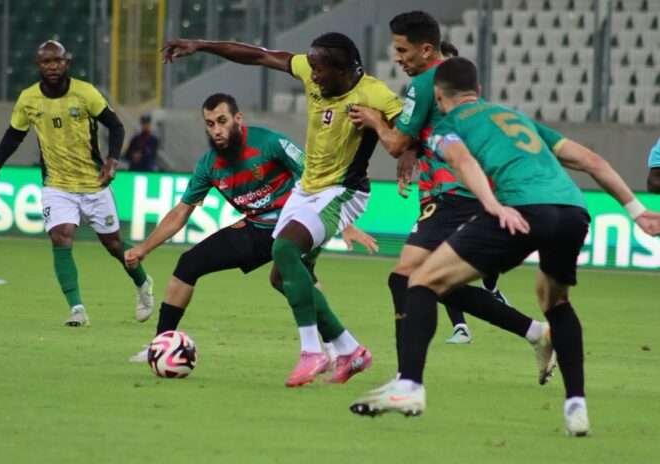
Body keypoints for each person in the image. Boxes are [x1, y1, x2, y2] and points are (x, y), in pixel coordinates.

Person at [350, 57, 660, 436]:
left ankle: (409, 386)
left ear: (439, 97)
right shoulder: (518, 119)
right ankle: (576, 407)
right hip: (573, 212)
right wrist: (637, 210)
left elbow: (463, 161)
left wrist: (493, 206)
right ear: (478, 90)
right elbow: (591, 161)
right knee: (555, 301)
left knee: (420, 280)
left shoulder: (446, 126)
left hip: (522, 209)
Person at [162, 32, 403, 386]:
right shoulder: (312, 72)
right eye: (311, 67)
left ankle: (312, 352)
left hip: (343, 190)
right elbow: (258, 55)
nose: (312, 75)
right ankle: (350, 350)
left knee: (285, 248)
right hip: (307, 190)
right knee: (282, 277)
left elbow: (405, 139)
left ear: (342, 70)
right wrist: (202, 45)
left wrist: (381, 128)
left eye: (319, 69)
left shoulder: (375, 94)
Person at [124, 93, 377, 374]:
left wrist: (341, 221)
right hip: (257, 227)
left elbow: (315, 176)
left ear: (238, 119)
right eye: (210, 124)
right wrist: (144, 248)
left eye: (222, 121)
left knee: (291, 278)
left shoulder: (269, 143)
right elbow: (181, 212)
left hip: (296, 223)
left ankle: (333, 347)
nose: (217, 130)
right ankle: (161, 343)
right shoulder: (208, 165)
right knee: (189, 264)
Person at [350, 11, 543, 363]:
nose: (397, 58)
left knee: (404, 278)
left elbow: (395, 143)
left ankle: (406, 375)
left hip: (454, 194)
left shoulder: (424, 83)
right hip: (468, 192)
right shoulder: (452, 79)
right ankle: (535, 332)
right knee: (434, 281)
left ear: (426, 50)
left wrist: (375, 120)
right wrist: (413, 149)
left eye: (402, 50)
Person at [0, 40, 154, 327]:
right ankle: (77, 308)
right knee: (61, 236)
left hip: (93, 182)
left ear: (67, 63)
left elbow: (116, 125)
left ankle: (143, 283)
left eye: (57, 61)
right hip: (57, 184)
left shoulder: (85, 93)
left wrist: (112, 160)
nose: (52, 66)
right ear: (38, 65)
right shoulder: (28, 99)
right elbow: (15, 133)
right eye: (46, 62)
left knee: (113, 245)